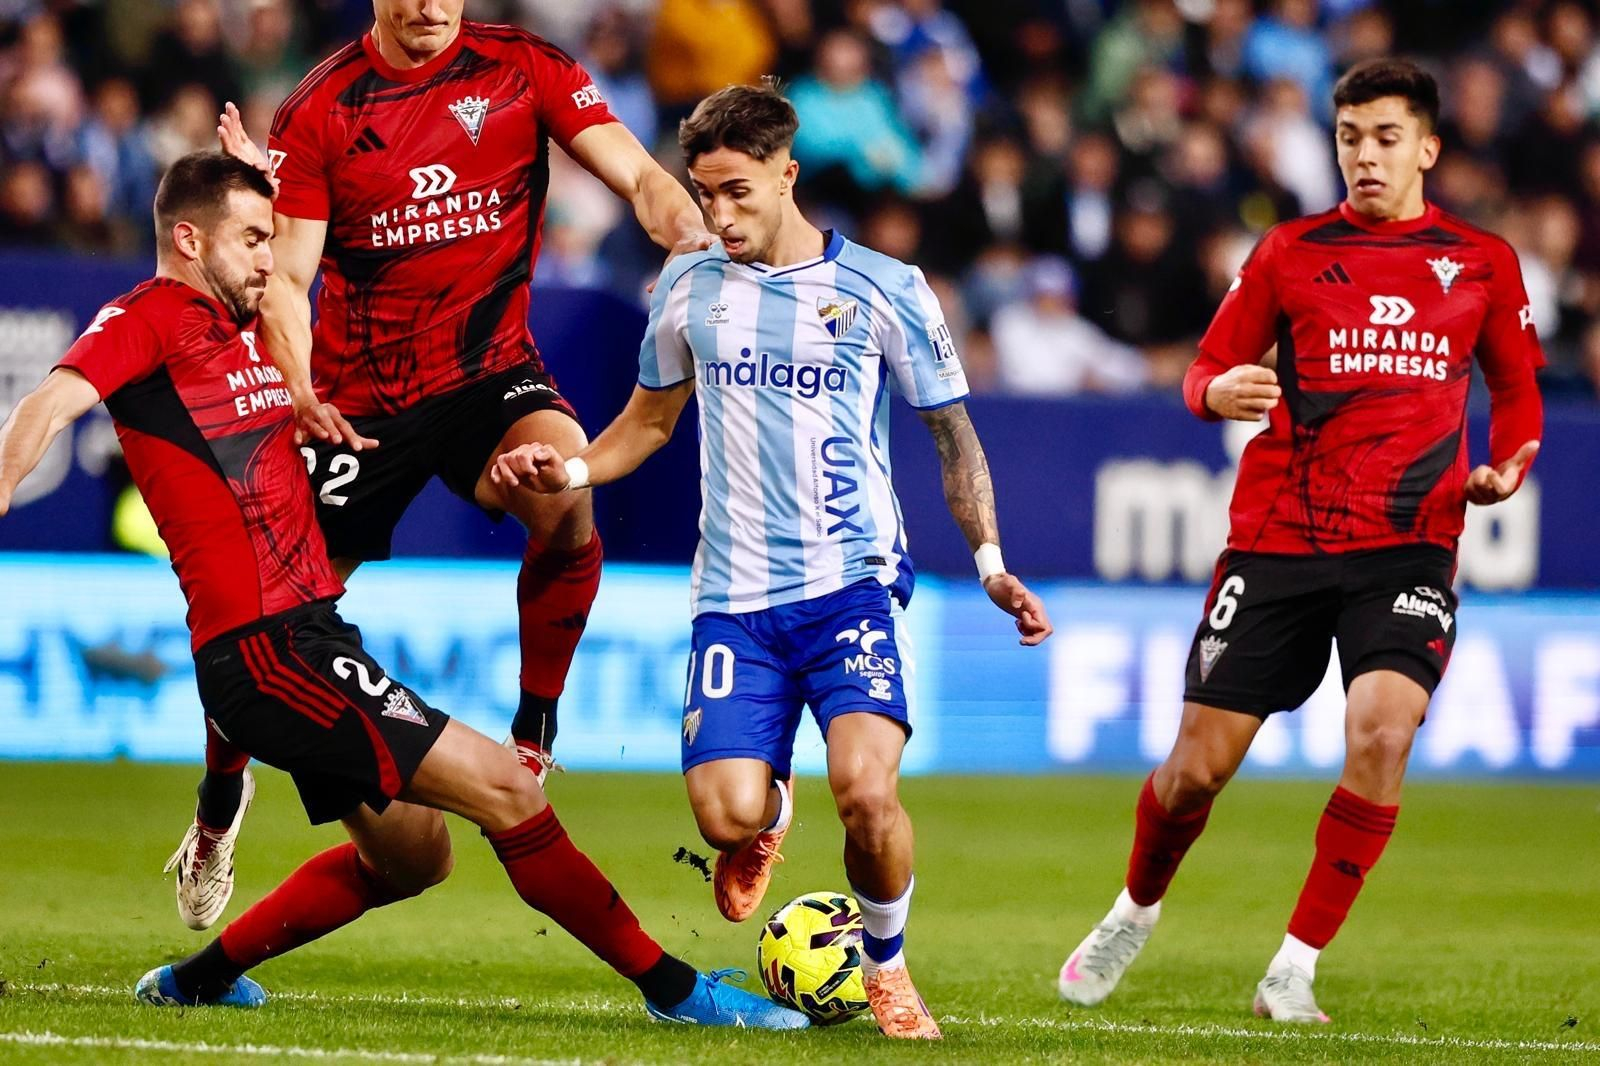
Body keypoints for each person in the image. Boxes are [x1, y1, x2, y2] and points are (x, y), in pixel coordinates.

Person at [0, 151, 806, 1029]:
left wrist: (259, 187)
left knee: (416, 859)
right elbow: (48, 403)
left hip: (303, 641)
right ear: (188, 240)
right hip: (269, 652)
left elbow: (280, 300)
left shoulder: (236, 333)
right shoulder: (147, 317)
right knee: (509, 791)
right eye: (253, 240)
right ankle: (681, 993)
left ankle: (194, 980)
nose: (271, 258)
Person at [488, 83, 1054, 1040]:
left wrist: (991, 561)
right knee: (723, 819)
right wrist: (573, 465)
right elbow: (650, 423)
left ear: (787, 176)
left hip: (853, 585)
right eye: (704, 194)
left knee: (869, 794)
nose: (717, 215)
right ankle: (771, 803)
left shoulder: (885, 289)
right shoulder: (686, 285)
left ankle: (885, 964)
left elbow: (956, 441)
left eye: (737, 192)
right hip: (733, 599)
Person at [166, 0, 716, 932]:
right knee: (266, 618)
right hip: (357, 398)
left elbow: (640, 173)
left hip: (488, 374)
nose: (428, 7)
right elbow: (291, 279)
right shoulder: (324, 107)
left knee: (567, 487)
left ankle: (534, 732)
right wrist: (298, 387)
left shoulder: (523, 67)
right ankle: (220, 806)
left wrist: (689, 235)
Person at [1057, 58, 1544, 1023]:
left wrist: (1510, 463)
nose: (1365, 156)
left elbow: (1519, 393)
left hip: (1408, 544)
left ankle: (1294, 965)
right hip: (1280, 536)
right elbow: (1205, 365)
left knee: (1382, 730)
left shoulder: (1483, 261)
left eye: (1386, 138)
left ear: (1428, 148)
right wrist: (1213, 394)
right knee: (1196, 768)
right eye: (1350, 138)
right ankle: (1134, 906)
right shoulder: (1289, 250)